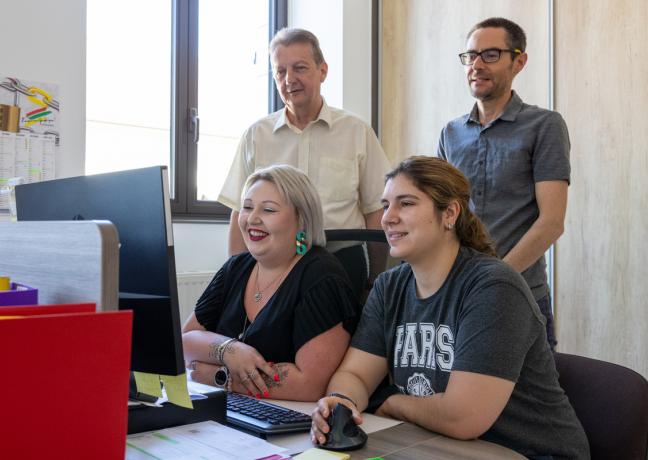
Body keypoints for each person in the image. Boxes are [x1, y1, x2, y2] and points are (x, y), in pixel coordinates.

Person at [311, 156, 589, 459]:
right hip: (435, 445)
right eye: (386, 204)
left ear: (450, 213)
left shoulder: (494, 288)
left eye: (405, 203)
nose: (387, 217)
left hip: (526, 453)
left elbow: (463, 417)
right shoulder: (389, 286)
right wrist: (342, 401)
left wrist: (390, 401)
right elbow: (355, 374)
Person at [218, 27, 391, 296]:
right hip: (275, 264)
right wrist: (234, 280)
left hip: (342, 263)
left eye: (299, 68)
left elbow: (375, 211)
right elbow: (239, 212)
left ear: (323, 70)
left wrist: (377, 279)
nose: (289, 80)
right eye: (281, 71)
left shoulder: (357, 132)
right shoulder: (256, 135)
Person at [437, 17, 570, 349]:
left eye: (491, 55)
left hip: (520, 296)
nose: (477, 65)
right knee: (459, 397)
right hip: (456, 295)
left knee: (530, 400)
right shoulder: (450, 133)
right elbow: (439, 215)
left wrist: (494, 278)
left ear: (519, 61)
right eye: (470, 56)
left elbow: (551, 223)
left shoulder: (544, 126)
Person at [183, 164, 360, 401]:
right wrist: (230, 350)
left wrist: (220, 376)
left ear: (301, 220)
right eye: (247, 208)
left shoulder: (322, 276)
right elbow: (186, 340)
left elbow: (309, 384)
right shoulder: (236, 267)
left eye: (268, 210)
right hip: (240, 408)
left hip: (294, 418)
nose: (252, 219)